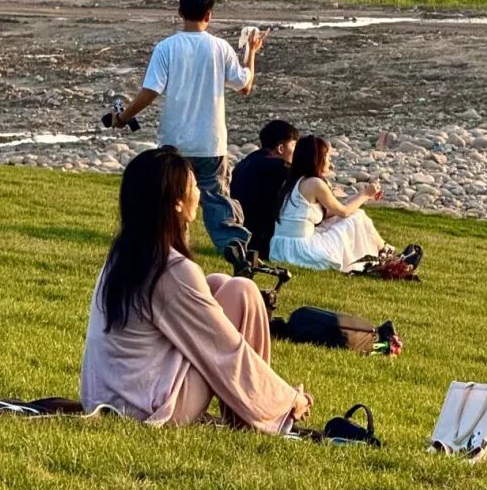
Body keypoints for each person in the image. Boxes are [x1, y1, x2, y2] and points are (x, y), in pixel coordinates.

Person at [80, 146, 312, 431]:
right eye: (194, 186)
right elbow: (227, 350)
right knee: (243, 292)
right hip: (147, 409)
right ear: (177, 203)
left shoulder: (125, 256)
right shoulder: (170, 270)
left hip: (108, 396)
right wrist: (288, 400)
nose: (200, 193)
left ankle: (253, 409)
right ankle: (257, 415)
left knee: (218, 283)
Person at [110, 0, 262, 256]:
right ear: (209, 15)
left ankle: (174, 249)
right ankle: (235, 247)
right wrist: (251, 51)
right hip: (210, 142)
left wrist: (123, 117)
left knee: (172, 199)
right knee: (217, 200)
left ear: (180, 12)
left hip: (174, 141)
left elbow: (150, 91)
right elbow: (245, 85)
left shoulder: (166, 48)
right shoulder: (220, 48)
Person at [268, 134, 388, 273]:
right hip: (301, 250)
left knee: (348, 216)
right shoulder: (315, 183)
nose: (330, 160)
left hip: (281, 248)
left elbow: (335, 210)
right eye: (327, 156)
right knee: (358, 216)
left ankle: (384, 251)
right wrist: (366, 194)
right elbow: (344, 212)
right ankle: (385, 252)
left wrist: (364, 196)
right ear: (317, 158)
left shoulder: (293, 181)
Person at [230, 119, 300, 260]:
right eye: (294, 146)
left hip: (242, 233)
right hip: (263, 241)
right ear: (280, 148)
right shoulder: (280, 169)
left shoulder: (247, 162)